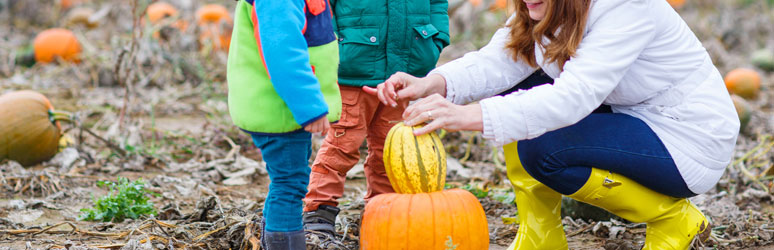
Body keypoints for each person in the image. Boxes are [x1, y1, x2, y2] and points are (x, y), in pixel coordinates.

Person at [366, 0, 739, 249]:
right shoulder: (549, 6)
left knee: (543, 149)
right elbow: (503, 59)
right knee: (524, 86)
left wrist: (469, 115)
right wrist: (434, 83)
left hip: (685, 138)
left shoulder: (629, 8)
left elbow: (574, 97)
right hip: (631, 115)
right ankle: (540, 234)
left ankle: (673, 218)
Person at [301, 0, 450, 239]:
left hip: (402, 73)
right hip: (354, 72)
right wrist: (335, 44)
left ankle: (382, 212)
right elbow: (322, 7)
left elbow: (437, 4)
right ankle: (319, 212)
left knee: (391, 149)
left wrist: (436, 40)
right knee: (342, 145)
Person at [226, 0, 340, 249]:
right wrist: (310, 107)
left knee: (286, 180)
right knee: (289, 184)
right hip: (279, 108)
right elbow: (282, 53)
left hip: (283, 107)